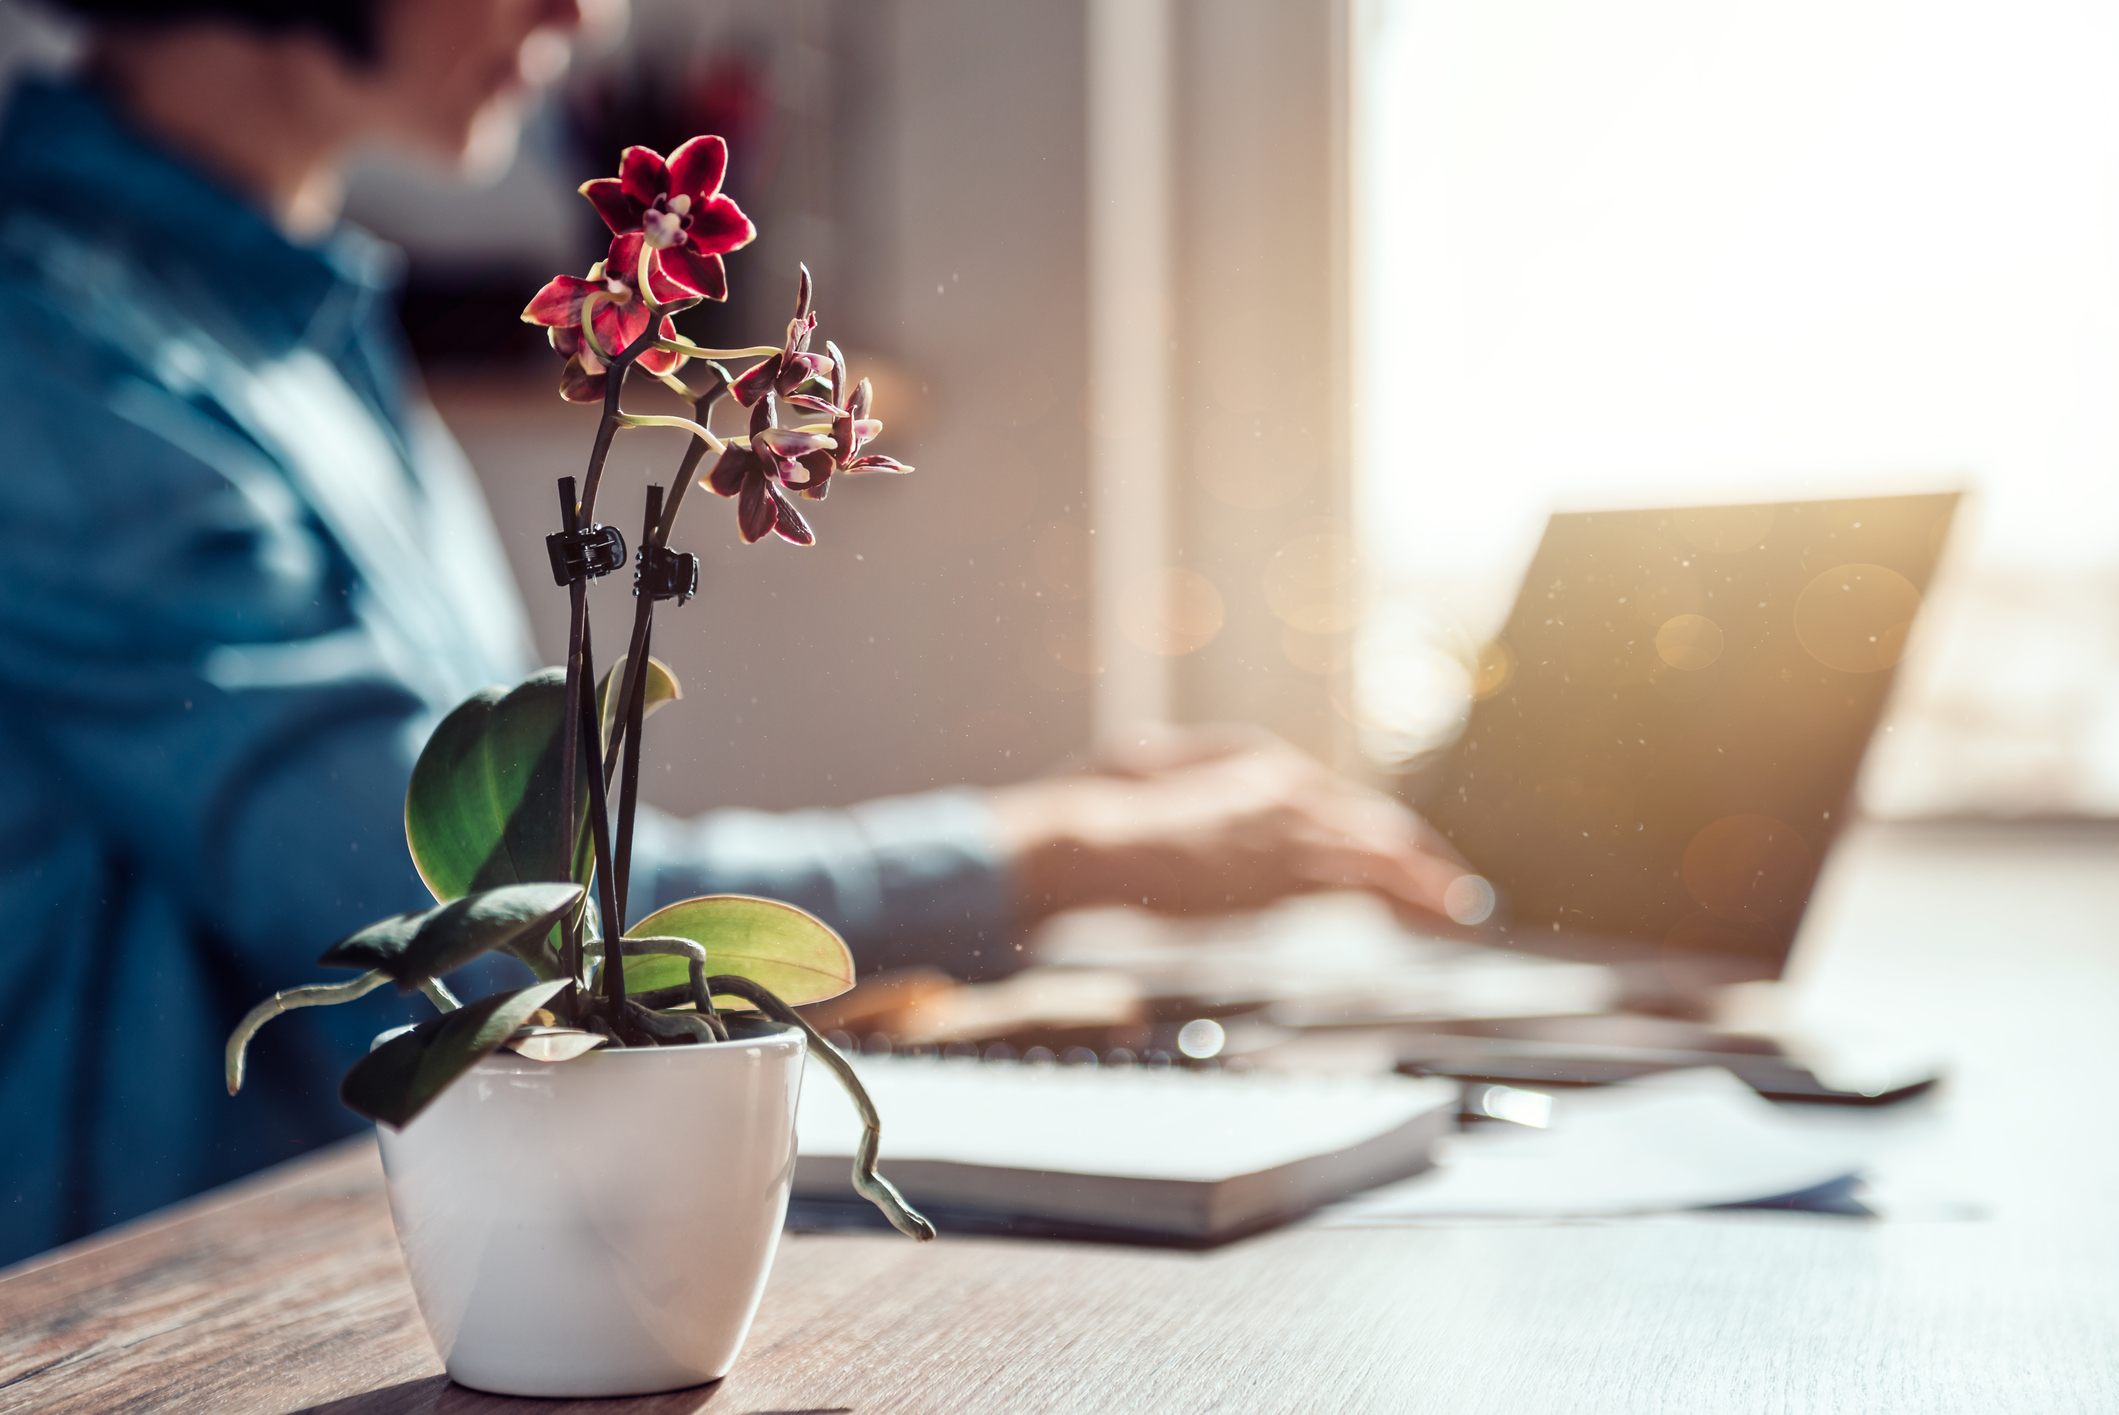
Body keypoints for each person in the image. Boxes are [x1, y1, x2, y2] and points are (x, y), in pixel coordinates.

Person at [0, 0, 1470, 1267]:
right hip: (150, 1322)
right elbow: (512, 924)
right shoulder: (51, 355)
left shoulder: (292, 327)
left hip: (410, 1269)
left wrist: (1064, 837)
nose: (581, 21)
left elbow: (537, 902)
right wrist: (1065, 845)